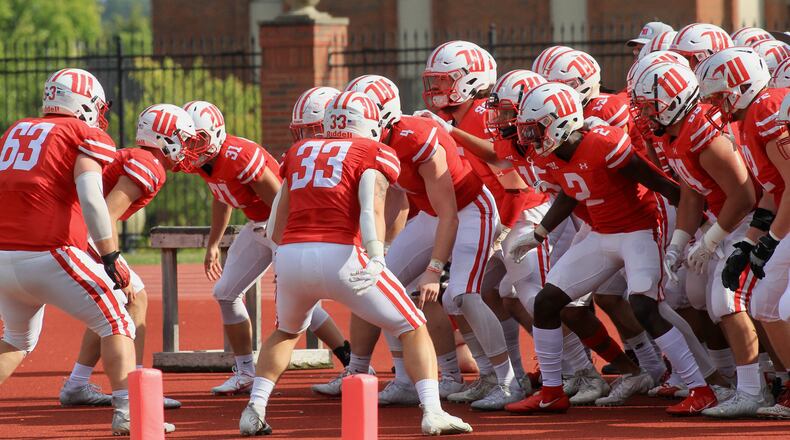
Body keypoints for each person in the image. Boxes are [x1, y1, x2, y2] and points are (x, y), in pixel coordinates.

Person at [238, 91, 472, 436]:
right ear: (370, 122)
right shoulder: (373, 150)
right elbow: (370, 207)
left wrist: (281, 252)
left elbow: (276, 218)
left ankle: (254, 409)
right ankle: (433, 411)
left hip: (290, 253)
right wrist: (377, 256)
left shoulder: (299, 151)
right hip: (342, 253)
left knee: (286, 331)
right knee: (412, 325)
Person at [505, 82, 714, 416]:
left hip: (639, 230)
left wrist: (703, 229)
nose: (530, 139)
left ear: (560, 121)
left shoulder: (603, 142)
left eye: (535, 130)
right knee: (547, 301)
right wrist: (540, 233)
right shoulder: (554, 153)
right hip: (601, 234)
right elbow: (570, 190)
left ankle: (701, 388)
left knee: (645, 305)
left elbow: (660, 184)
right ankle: (551, 392)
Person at [0, 68, 173, 434]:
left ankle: (95, 392)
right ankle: (129, 413)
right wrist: (111, 257)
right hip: (50, 250)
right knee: (118, 321)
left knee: (16, 339)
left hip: (3, 254)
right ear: (84, 104)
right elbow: (93, 200)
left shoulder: (14, 131)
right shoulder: (82, 133)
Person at [181, 100, 350, 395]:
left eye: (198, 140)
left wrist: (286, 246)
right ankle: (245, 371)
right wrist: (213, 243)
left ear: (216, 134)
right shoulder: (207, 163)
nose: (191, 147)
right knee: (225, 292)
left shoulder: (237, 156)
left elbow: (280, 199)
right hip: (259, 225)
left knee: (298, 302)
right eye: (187, 140)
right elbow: (221, 196)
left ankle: (352, 363)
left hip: (283, 224)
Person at [634, 61, 762, 415]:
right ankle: (730, 375)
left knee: (726, 299)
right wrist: (679, 242)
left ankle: (756, 388)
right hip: (723, 220)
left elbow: (744, 195)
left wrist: (711, 239)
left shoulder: (702, 129)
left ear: (674, 100)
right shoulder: (673, 131)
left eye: (649, 105)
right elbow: (691, 191)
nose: (644, 114)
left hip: (750, 220)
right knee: (695, 295)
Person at [59, 104, 192, 410]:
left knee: (111, 308)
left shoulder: (141, 158)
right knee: (134, 298)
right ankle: (135, 388)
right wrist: (115, 262)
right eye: (182, 139)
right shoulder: (148, 163)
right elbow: (106, 214)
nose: (185, 147)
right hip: (82, 232)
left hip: (78, 229)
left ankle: (78, 384)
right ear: (164, 138)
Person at [697, 46, 790, 417]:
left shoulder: (768, 108)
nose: (717, 104)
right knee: (764, 303)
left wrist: (771, 240)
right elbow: (772, 190)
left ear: (743, 85)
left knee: (784, 305)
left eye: (720, 95)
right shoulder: (749, 117)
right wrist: (748, 242)